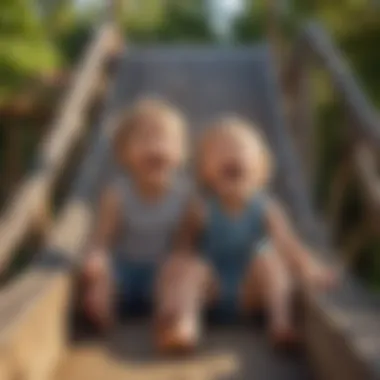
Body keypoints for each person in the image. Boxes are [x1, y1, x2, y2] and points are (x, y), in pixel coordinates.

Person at [156, 116, 336, 352]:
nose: (230, 153)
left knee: (269, 256)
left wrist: (309, 267)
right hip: (213, 292)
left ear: (261, 166)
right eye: (219, 150)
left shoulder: (265, 208)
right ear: (204, 169)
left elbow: (288, 244)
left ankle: (280, 322)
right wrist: (173, 282)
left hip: (250, 292)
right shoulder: (201, 209)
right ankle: (186, 325)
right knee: (192, 267)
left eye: (240, 149)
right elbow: (183, 247)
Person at [81, 97, 190, 332]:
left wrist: (180, 264)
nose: (155, 146)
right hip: (124, 271)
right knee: (102, 273)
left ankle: (169, 318)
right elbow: (103, 238)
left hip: (161, 274)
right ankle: (101, 314)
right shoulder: (117, 195)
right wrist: (96, 256)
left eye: (165, 139)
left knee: (180, 272)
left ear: (181, 152)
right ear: (123, 154)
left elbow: (184, 244)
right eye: (144, 139)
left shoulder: (184, 197)